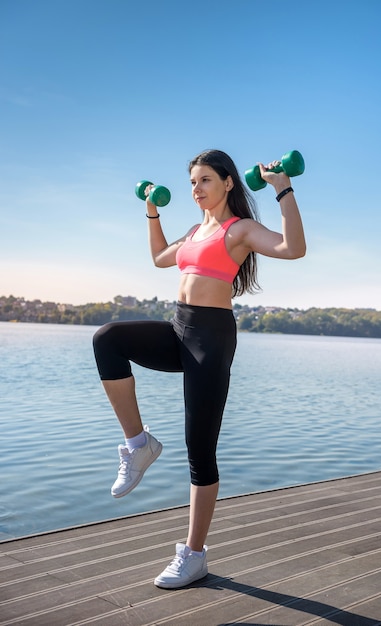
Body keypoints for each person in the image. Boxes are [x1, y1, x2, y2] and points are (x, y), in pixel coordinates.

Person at [92, 149, 306, 589]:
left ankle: (194, 554)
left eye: (205, 180)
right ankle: (138, 444)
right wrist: (152, 212)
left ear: (228, 182)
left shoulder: (238, 229)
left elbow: (293, 248)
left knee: (199, 446)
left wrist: (283, 188)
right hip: (178, 327)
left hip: (211, 338)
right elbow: (158, 259)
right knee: (108, 339)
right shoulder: (193, 231)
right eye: (192, 182)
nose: (196, 189)